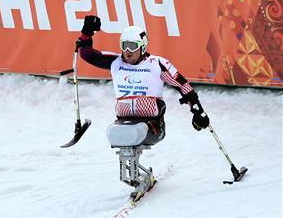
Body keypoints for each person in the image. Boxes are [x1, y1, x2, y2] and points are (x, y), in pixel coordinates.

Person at [76, 15, 210, 197]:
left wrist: (197, 110)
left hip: (153, 125)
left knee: (131, 133)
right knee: (117, 134)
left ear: (143, 46)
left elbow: (182, 84)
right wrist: (87, 33)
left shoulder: (156, 64)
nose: (127, 51)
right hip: (124, 121)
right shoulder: (116, 62)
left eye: (132, 46)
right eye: (124, 45)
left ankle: (139, 178)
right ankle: (136, 177)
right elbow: (86, 54)